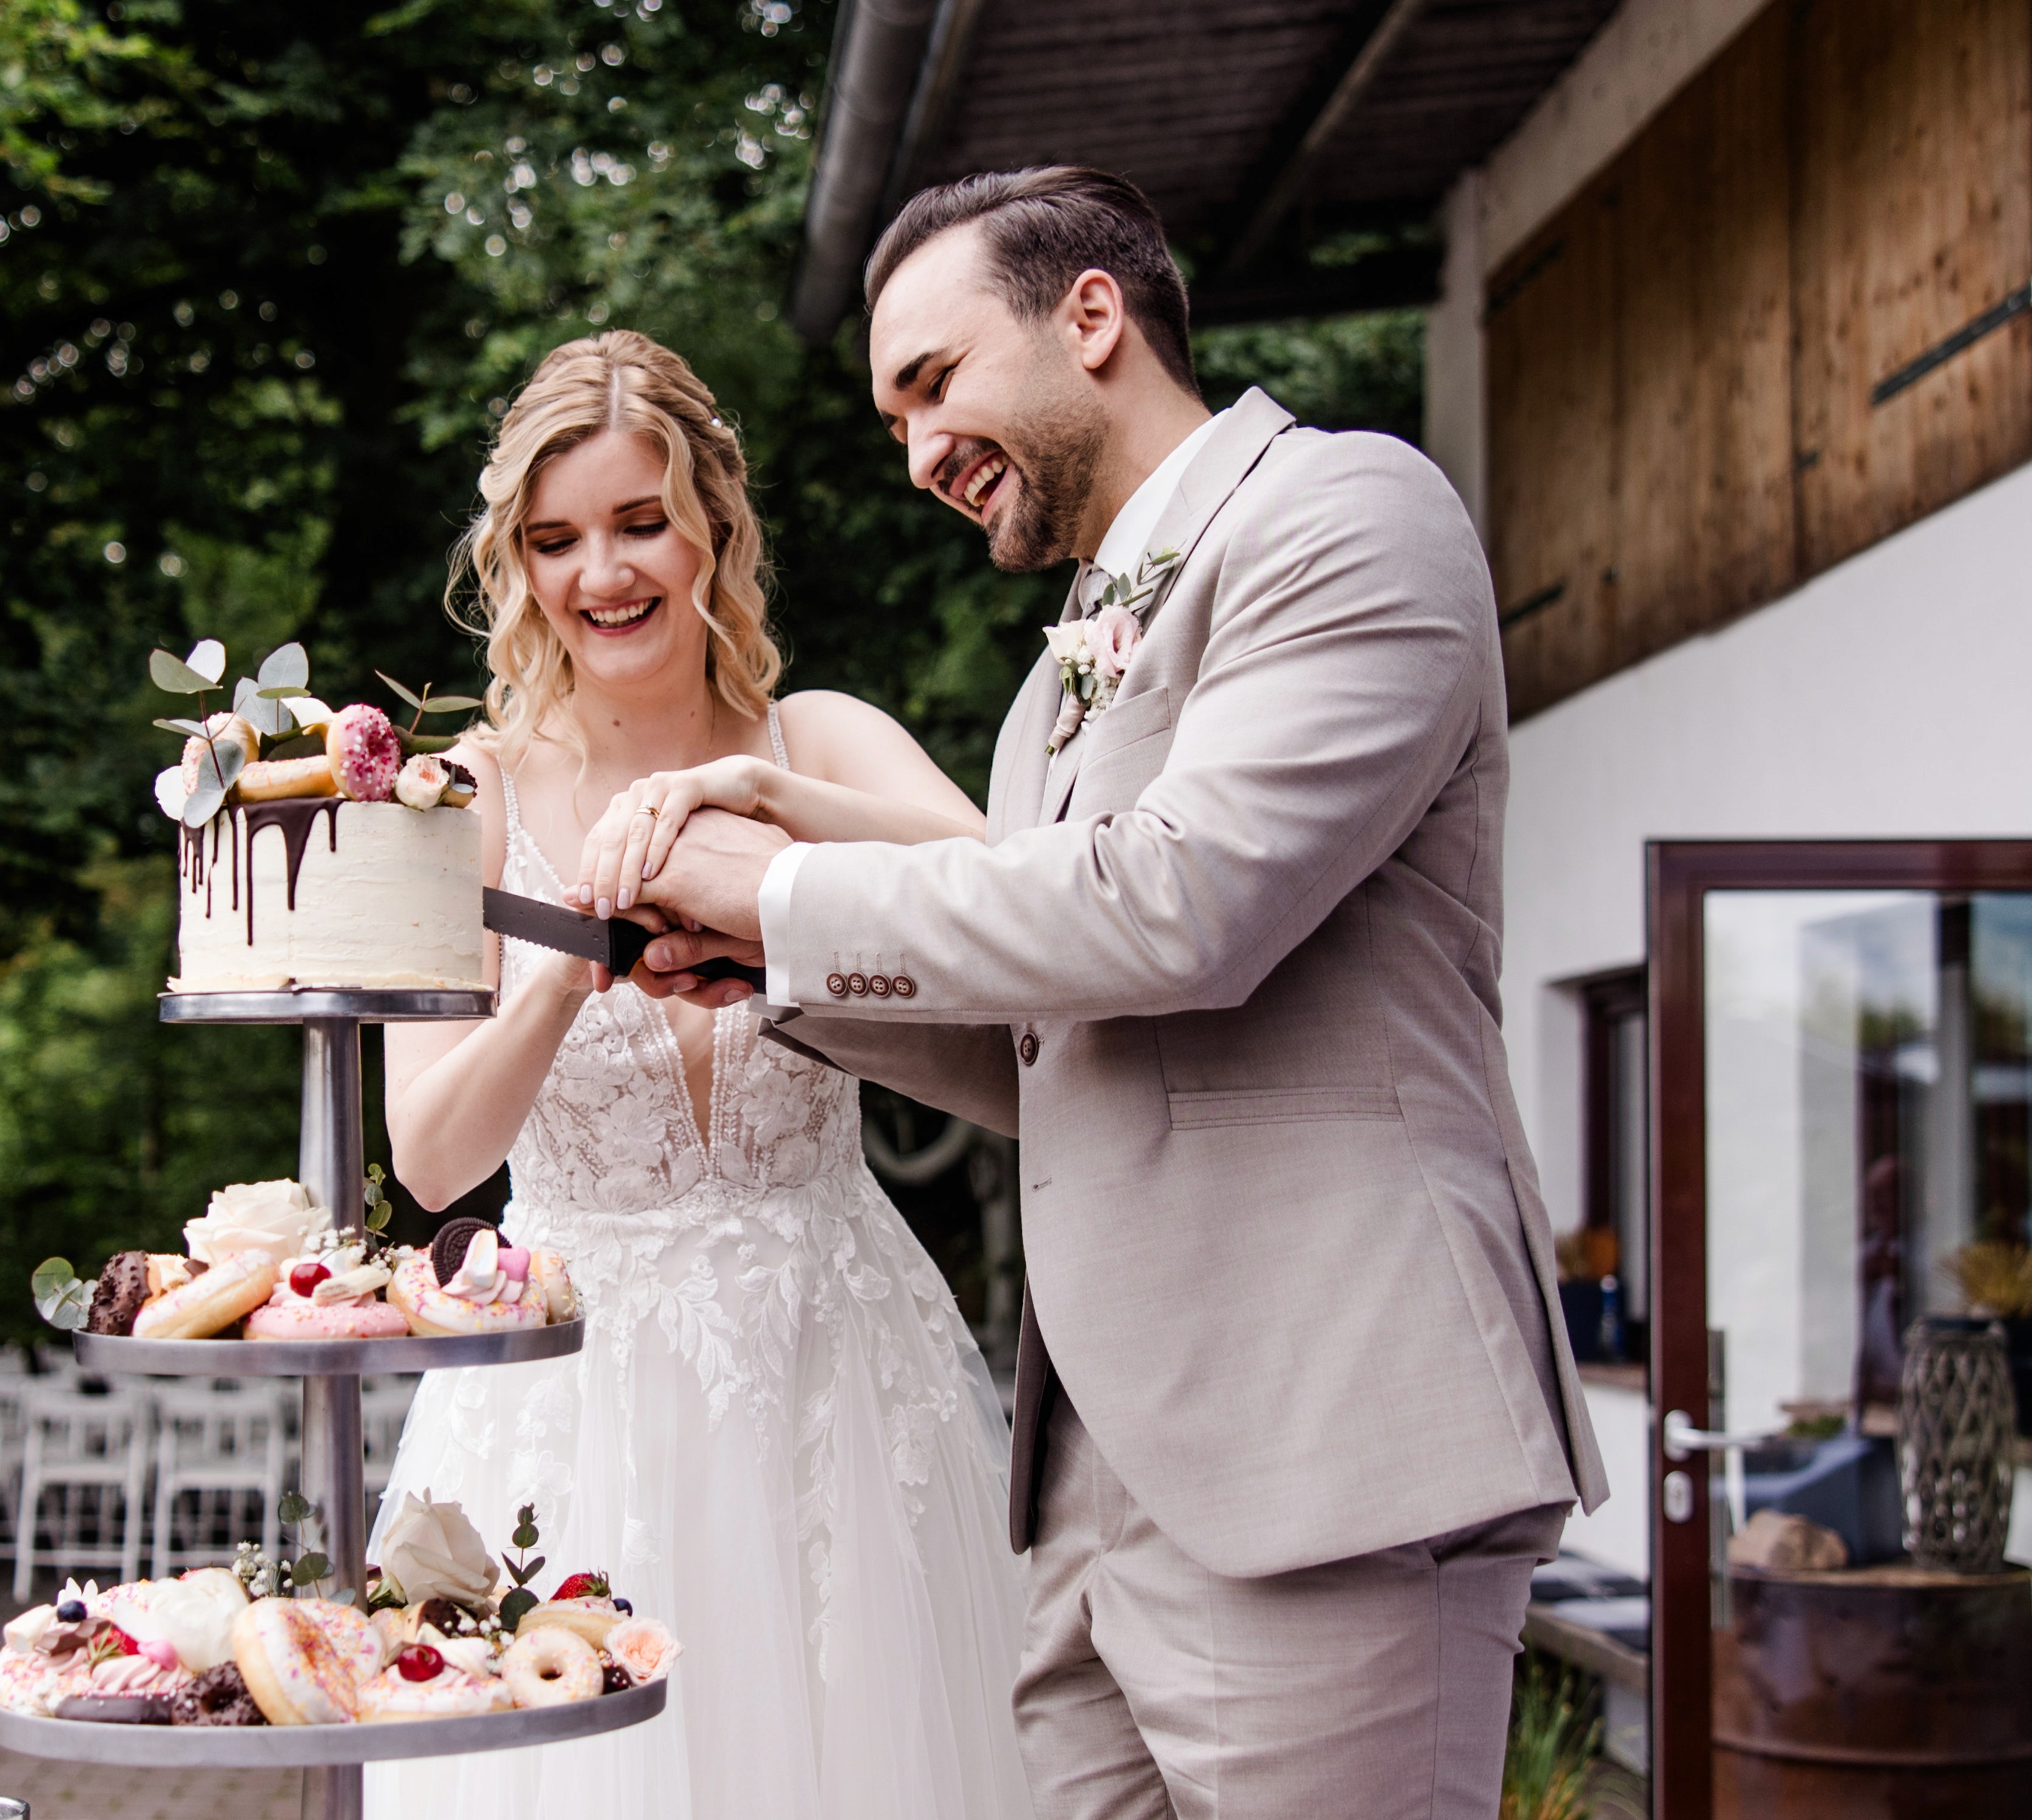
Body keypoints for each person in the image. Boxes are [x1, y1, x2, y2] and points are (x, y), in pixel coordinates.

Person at [592, 169, 1609, 1818]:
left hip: (1321, 1438)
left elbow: (1180, 908)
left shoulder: (1344, 513)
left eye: (933, 383)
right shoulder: (1051, 686)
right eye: (891, 417)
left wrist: (775, 885)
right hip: (1086, 1484)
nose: (916, 450)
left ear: (1090, 317)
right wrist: (770, 971)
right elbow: (1062, 1047)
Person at [368, 329, 1035, 1820]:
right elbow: (425, 1158)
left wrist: (764, 802)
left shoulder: (827, 739)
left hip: (837, 1375)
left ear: (714, 527)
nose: (602, 572)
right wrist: (558, 966)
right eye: (555, 539)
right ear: (520, 563)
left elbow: (1023, 898)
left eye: (639, 521)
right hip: (569, 1400)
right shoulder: (467, 797)